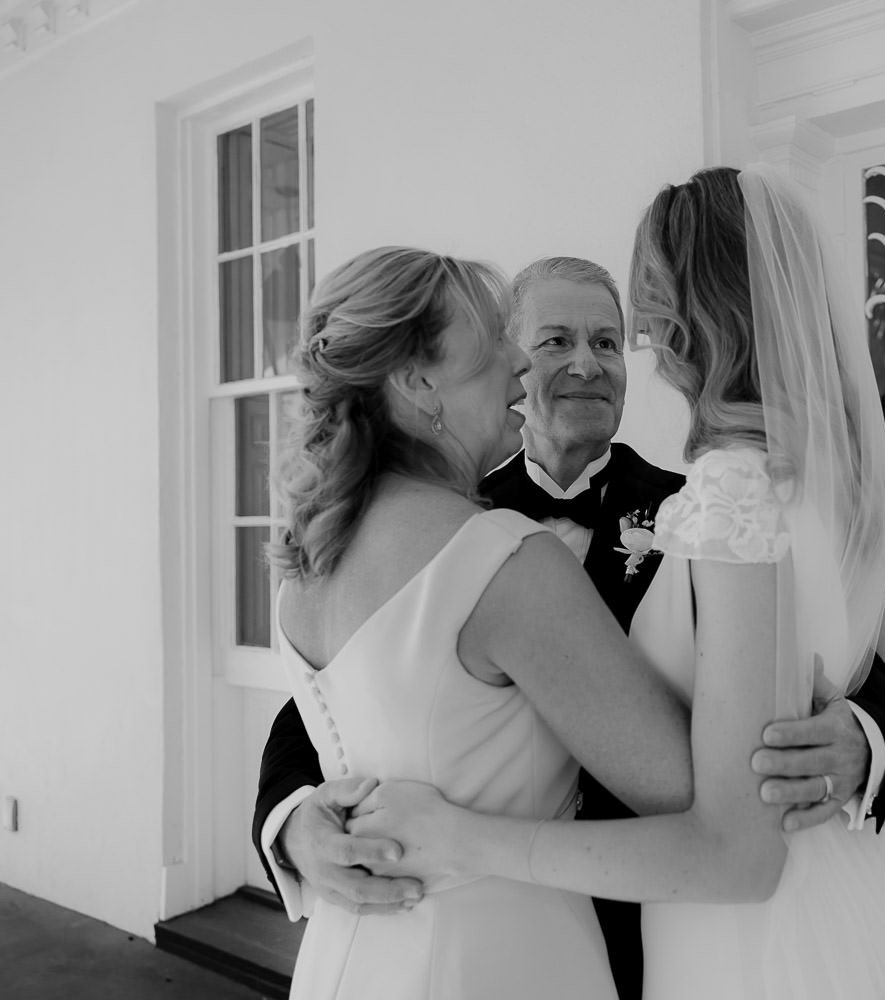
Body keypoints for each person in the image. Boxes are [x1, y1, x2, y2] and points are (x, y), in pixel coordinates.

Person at [345, 168, 885, 999]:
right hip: (501, 932)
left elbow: (860, 672)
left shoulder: (704, 501)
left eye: (611, 338)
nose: (600, 357)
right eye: (555, 341)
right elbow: (345, 687)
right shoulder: (441, 526)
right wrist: (294, 827)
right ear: (509, 362)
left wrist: (865, 739)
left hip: (691, 913)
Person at [265, 247, 698, 998]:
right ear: (416, 380)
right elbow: (684, 783)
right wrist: (294, 823)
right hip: (503, 955)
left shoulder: (314, 549)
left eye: (606, 342)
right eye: (523, 340)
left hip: (353, 960)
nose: (520, 368)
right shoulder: (500, 554)